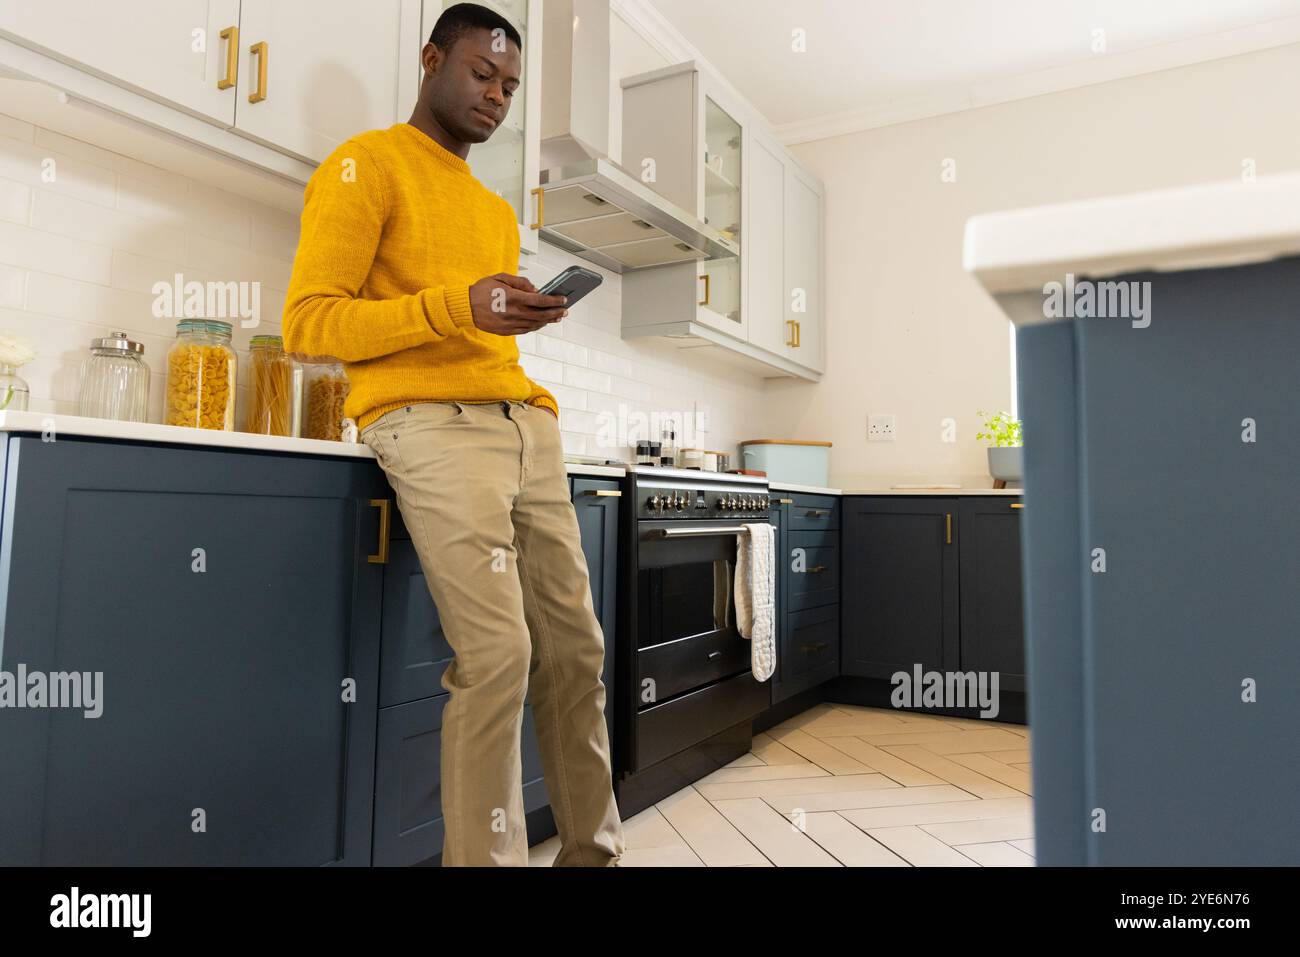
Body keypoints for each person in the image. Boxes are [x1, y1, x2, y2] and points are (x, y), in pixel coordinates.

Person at [282, 2, 625, 867]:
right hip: (429, 424)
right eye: (482, 73)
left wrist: (512, 318)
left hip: (525, 426)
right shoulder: (366, 165)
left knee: (577, 652)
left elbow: (471, 326)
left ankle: (595, 853)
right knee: (500, 654)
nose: (498, 97)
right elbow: (309, 323)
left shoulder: (494, 209)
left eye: (510, 85)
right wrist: (455, 306)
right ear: (432, 59)